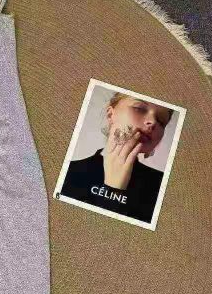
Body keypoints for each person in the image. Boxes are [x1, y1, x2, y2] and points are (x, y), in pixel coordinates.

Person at [60, 92, 173, 223]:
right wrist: (112, 190)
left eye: (161, 121)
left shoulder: (164, 188)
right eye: (139, 109)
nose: (152, 122)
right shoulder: (66, 172)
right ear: (110, 114)